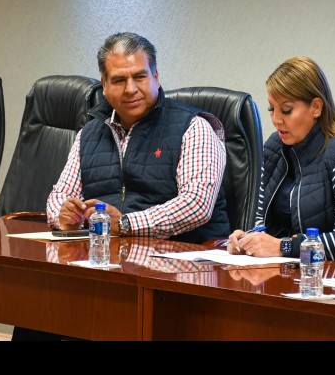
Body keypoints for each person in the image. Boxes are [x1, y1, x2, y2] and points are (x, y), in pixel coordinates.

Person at [13, 32, 230, 340]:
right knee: (37, 307)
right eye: (118, 80)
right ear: (104, 85)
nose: (131, 89)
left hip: (172, 273)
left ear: (156, 77)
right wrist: (64, 215)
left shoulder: (194, 127)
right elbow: (60, 194)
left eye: (140, 77)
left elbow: (197, 204)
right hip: (105, 265)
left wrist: (126, 224)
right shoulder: (90, 133)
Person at [225, 56, 335, 263]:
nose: (276, 119)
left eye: (286, 110)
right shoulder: (274, 148)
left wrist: (283, 247)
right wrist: (248, 239)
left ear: (316, 107)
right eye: (271, 109)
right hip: (289, 270)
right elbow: (262, 222)